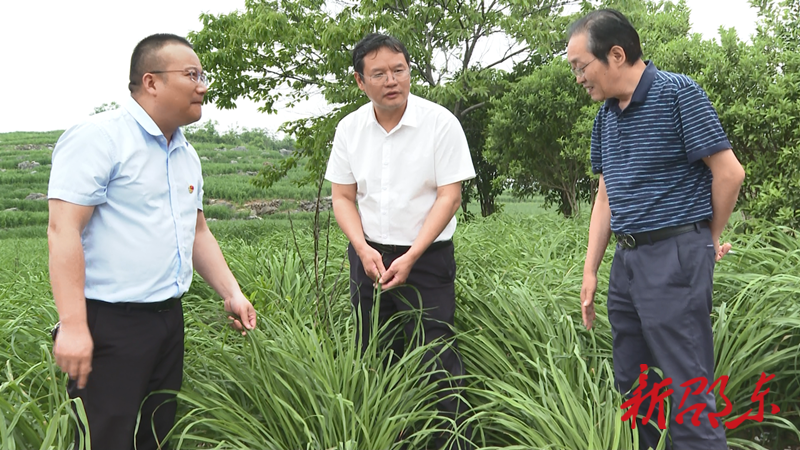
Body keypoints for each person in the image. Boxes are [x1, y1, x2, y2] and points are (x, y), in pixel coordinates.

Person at [47, 33, 257, 450]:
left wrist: (232, 292)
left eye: (203, 75)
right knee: (104, 439)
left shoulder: (185, 153)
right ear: (151, 82)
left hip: (167, 321)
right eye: (191, 74)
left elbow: (197, 232)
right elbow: (62, 229)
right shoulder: (100, 138)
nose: (203, 85)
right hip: (109, 323)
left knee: (156, 435)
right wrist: (73, 325)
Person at [567, 9, 746, 450]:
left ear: (615, 54)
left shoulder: (677, 93)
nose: (578, 78)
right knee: (633, 379)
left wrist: (708, 236)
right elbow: (606, 196)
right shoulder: (606, 117)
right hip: (627, 262)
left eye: (580, 66)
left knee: (687, 388)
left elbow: (729, 172)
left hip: (674, 254)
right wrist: (591, 270)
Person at [324, 33, 476, 450]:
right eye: (379, 74)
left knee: (434, 350)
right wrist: (361, 247)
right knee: (371, 349)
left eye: (399, 70)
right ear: (360, 82)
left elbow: (450, 195)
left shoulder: (440, 122)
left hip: (427, 257)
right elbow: (342, 196)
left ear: (410, 71)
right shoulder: (350, 128)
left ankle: (449, 439)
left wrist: (411, 255)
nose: (392, 80)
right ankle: (387, 436)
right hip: (369, 255)